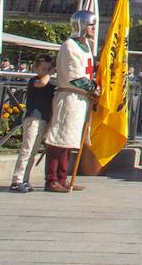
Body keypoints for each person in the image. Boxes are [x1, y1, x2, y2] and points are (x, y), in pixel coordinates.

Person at [44, 10, 98, 193]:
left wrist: (93, 86)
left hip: (80, 99)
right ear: (82, 25)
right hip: (68, 97)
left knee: (70, 141)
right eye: (91, 24)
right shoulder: (69, 45)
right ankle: (52, 179)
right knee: (59, 140)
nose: (93, 28)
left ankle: (62, 177)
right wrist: (93, 88)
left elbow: (87, 72)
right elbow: (74, 75)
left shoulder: (87, 47)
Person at [10, 55, 55, 193]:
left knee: (33, 152)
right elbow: (41, 83)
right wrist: (49, 73)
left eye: (47, 68)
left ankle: (25, 178)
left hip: (43, 118)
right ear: (36, 69)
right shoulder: (34, 81)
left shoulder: (50, 85)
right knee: (26, 149)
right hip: (32, 118)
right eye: (43, 69)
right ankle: (16, 180)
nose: (46, 71)